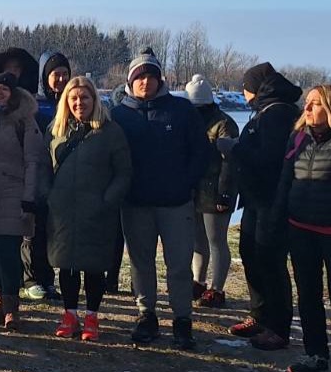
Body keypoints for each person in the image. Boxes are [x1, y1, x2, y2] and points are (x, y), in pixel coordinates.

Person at [111, 47, 208, 350]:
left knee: (179, 264)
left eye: (151, 76)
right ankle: (146, 314)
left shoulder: (181, 110)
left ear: (159, 79)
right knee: (141, 262)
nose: (145, 82)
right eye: (139, 77)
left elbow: (200, 152)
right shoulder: (119, 115)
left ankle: (182, 319)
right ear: (130, 81)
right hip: (135, 203)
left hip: (175, 203)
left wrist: (186, 183)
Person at [271, 85, 331, 372]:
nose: (308, 109)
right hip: (300, 228)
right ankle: (315, 354)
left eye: (316, 104)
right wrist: (278, 218)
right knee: (308, 294)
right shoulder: (298, 137)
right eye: (307, 103)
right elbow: (285, 181)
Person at [42, 76, 133, 341]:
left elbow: (124, 172)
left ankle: (92, 316)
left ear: (94, 100)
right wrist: (49, 196)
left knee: (94, 266)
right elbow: (43, 166)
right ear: (66, 101)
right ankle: (70, 315)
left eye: (84, 97)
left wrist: (107, 200)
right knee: (66, 265)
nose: (79, 103)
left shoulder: (110, 132)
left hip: (97, 211)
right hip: (62, 211)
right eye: (73, 98)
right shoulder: (56, 130)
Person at [226, 62, 303, 351]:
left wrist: (235, 148)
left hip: (272, 201)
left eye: (246, 87)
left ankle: (278, 327)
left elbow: (269, 158)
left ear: (257, 88)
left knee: (270, 261)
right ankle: (259, 315)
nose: (243, 92)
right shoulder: (267, 111)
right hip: (256, 199)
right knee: (251, 254)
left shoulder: (277, 114)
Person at [0, 70, 46, 330]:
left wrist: (29, 198)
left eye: (3, 89)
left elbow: (33, 161)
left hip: (13, 192)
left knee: (8, 250)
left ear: (12, 94)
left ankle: (12, 308)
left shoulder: (23, 120)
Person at [22, 50, 74, 304]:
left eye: (65, 74)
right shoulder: (34, 104)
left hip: (62, 179)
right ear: (45, 77)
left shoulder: (72, 102)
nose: (61, 79)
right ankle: (31, 279)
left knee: (55, 231)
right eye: (56, 74)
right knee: (34, 230)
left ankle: (48, 279)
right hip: (37, 174)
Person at [185, 74, 238, 308]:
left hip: (216, 190)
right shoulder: (191, 121)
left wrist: (224, 193)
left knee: (216, 240)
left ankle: (217, 289)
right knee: (197, 239)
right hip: (195, 189)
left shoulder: (224, 124)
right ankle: (198, 281)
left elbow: (230, 162)